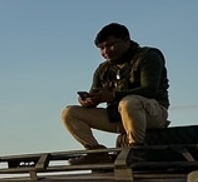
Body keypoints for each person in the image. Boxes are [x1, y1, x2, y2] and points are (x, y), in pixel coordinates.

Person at [61, 22, 170, 151]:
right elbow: (95, 94)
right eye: (101, 48)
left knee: (129, 102)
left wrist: (113, 96)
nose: (106, 51)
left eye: (111, 45)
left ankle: (136, 149)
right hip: (117, 117)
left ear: (127, 41)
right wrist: (88, 101)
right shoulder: (103, 70)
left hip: (151, 115)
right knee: (69, 113)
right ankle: (95, 152)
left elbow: (150, 90)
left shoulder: (147, 56)